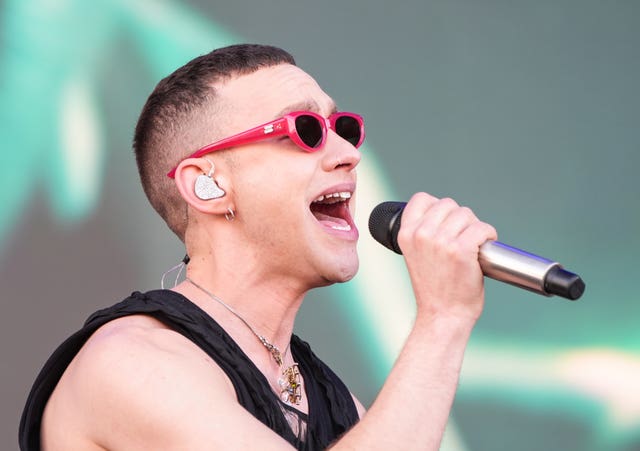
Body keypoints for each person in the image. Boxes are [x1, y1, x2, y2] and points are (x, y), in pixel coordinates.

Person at [20, 44, 497, 450]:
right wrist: (442, 319)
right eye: (305, 130)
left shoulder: (328, 398)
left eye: (342, 128)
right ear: (208, 185)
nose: (349, 154)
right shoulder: (131, 362)